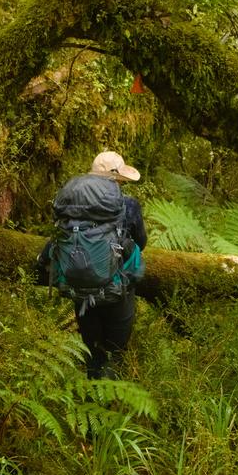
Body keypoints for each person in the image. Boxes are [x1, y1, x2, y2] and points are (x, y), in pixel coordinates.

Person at [40, 151, 147, 379]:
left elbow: (57, 239)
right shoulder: (127, 205)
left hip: (80, 292)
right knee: (115, 353)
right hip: (117, 291)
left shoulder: (70, 204)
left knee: (93, 352)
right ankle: (108, 395)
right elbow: (141, 242)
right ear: (118, 178)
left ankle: (91, 387)